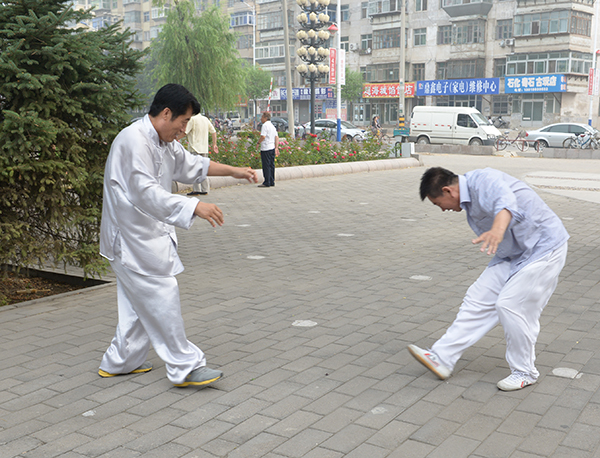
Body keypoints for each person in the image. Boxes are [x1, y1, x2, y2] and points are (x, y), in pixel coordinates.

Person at [98, 84, 258, 388]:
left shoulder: (163, 141)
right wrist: (195, 205)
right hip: (131, 241)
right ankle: (185, 366)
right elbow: (145, 194)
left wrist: (235, 171)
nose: (184, 130)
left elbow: (192, 165)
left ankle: (119, 362)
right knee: (162, 296)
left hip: (146, 238)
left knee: (137, 305)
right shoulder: (133, 141)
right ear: (166, 113)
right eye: (183, 122)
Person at [408, 167, 569, 391]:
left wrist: (497, 230)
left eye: (438, 204)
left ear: (448, 191)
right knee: (477, 298)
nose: (442, 210)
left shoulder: (483, 180)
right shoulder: (468, 201)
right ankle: (442, 357)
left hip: (543, 249)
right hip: (513, 254)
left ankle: (525, 372)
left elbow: (506, 203)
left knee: (511, 305)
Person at [184, 113, 218, 196]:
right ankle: (205, 189)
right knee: (203, 169)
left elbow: (185, 132)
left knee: (195, 169)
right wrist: (214, 144)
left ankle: (196, 190)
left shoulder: (192, 119)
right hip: (204, 149)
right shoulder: (205, 119)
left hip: (194, 148)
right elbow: (213, 132)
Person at [257, 111, 279, 188]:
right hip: (272, 148)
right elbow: (276, 137)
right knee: (271, 165)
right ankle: (271, 180)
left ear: (265, 118)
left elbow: (263, 136)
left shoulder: (265, 125)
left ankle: (267, 182)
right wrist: (276, 147)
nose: (261, 119)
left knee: (266, 165)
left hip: (265, 148)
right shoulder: (272, 126)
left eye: (262, 117)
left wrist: (258, 143)